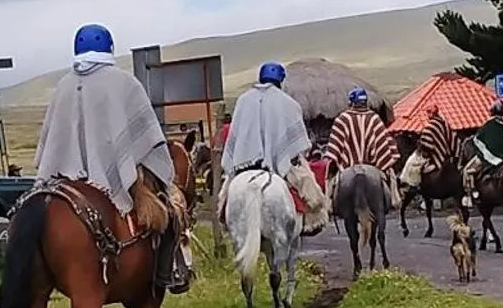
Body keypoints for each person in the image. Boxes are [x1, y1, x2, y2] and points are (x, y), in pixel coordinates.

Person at [31, 23, 189, 292]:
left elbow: (52, 141)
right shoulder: (125, 82)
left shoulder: (63, 86)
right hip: (114, 180)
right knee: (168, 214)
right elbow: (147, 136)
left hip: (62, 179)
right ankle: (168, 272)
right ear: (109, 48)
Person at [220, 61, 328, 234]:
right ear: (280, 80)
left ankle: (224, 219)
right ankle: (311, 223)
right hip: (280, 164)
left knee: (227, 192)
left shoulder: (242, 100)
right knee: (309, 189)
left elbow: (235, 137)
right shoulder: (290, 104)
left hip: (244, 164)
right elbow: (300, 144)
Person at [323, 87, 400, 201]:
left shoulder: (342, 119)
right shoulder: (375, 118)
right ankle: (394, 198)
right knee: (390, 177)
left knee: (330, 184)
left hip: (347, 167)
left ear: (351, 102)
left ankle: (328, 204)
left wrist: (331, 161)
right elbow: (384, 143)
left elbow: (335, 147)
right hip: (373, 166)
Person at [399, 102, 459, 189]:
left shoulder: (429, 127)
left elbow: (426, 148)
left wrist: (421, 149)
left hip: (437, 160)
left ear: (430, 114)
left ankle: (414, 187)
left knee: (411, 165)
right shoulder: (445, 123)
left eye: (428, 112)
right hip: (449, 157)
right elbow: (452, 139)